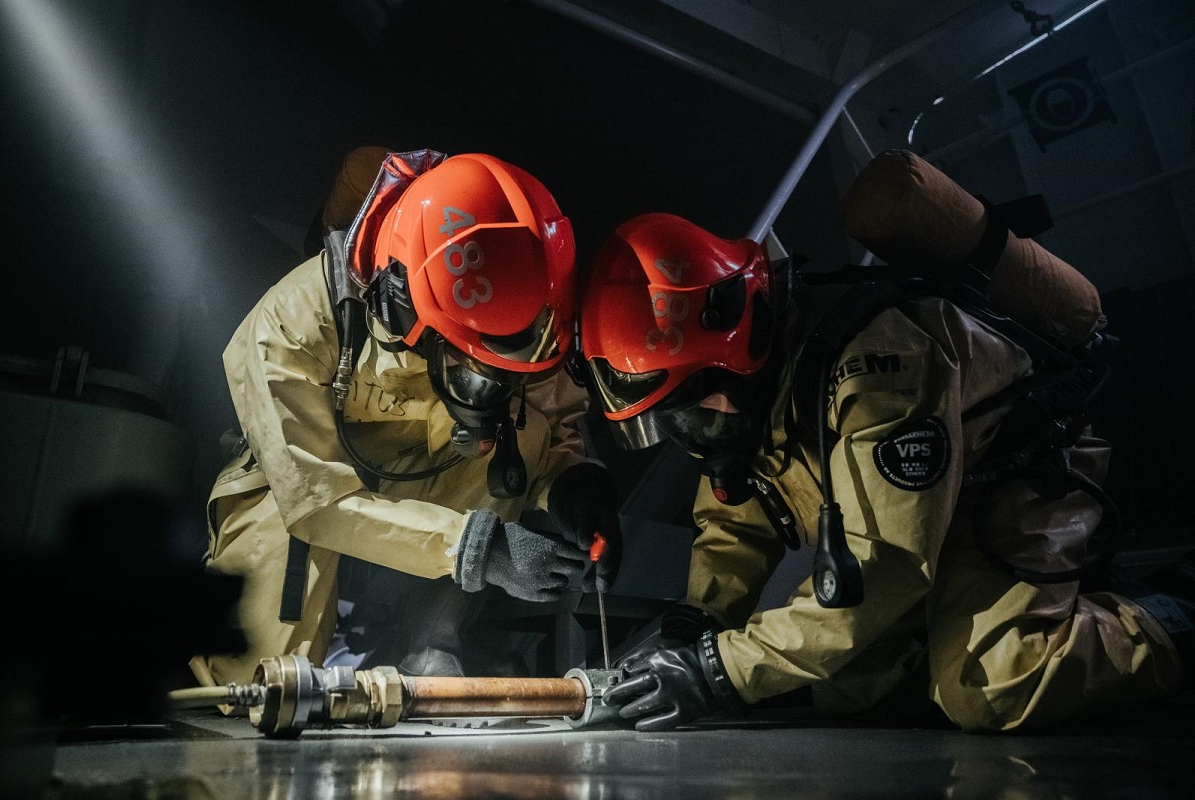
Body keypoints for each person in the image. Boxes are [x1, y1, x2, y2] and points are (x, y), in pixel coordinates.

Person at [581, 156, 1193, 733]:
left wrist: (715, 672)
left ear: (736, 351)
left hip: (1011, 482)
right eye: (668, 418)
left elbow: (885, 563)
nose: (691, 433)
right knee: (851, 685)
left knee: (994, 680)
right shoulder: (747, 391)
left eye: (690, 405)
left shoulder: (880, 366)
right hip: (925, 510)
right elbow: (738, 519)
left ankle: (1173, 618)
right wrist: (693, 624)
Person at [190, 149, 621, 688]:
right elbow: (315, 500)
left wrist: (573, 482)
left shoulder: (518, 315)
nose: (491, 387)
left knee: (521, 431)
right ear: (404, 306)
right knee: (259, 682)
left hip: (421, 477)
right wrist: (476, 549)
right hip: (304, 491)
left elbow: (550, 419)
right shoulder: (288, 324)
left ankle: (429, 643)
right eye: (474, 368)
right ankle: (256, 677)